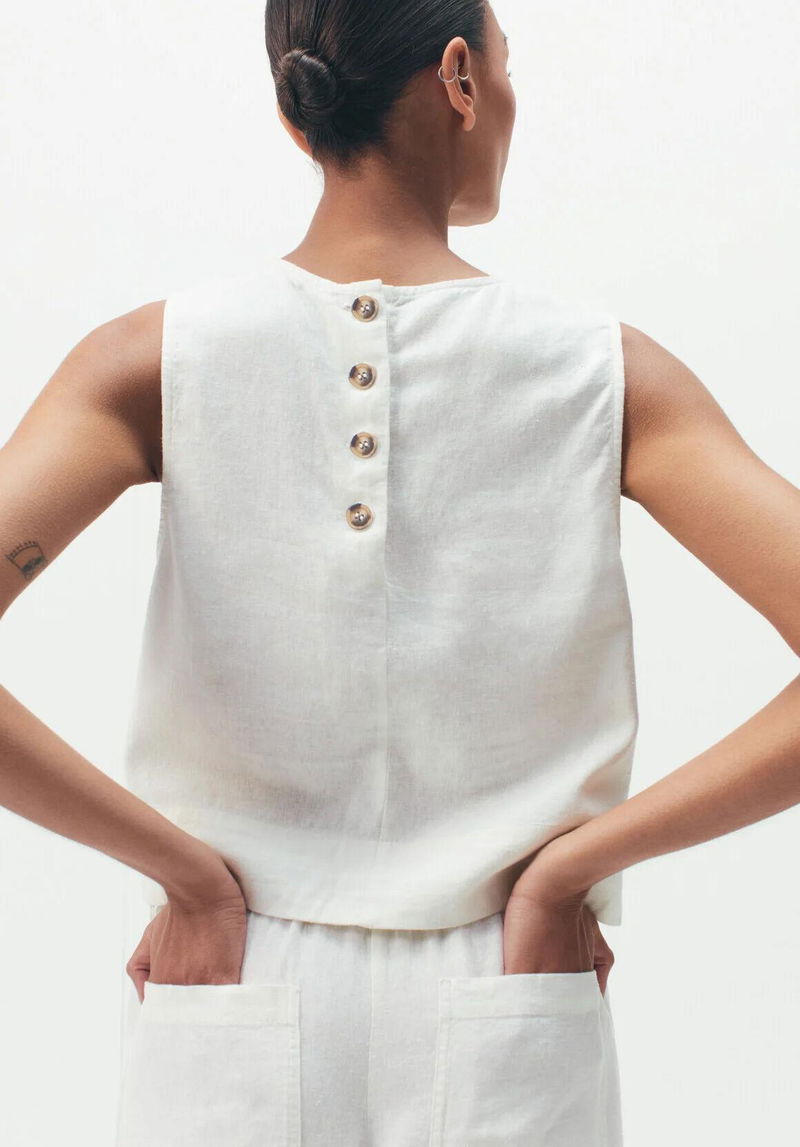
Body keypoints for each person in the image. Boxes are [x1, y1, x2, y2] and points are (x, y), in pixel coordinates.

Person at [1, 0, 798, 1143]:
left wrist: (185, 875)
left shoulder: (152, 360)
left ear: (296, 111)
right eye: (507, 67)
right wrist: (566, 871)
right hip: (511, 977)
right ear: (459, 76)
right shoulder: (602, 374)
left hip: (229, 978)